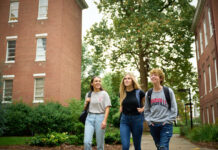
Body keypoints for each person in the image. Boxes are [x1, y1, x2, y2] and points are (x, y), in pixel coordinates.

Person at [144, 68, 177, 150]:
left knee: (163, 147)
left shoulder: (168, 91)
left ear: (161, 78)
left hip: (166, 125)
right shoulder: (148, 93)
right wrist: (149, 122)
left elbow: (174, 109)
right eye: (151, 75)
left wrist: (168, 121)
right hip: (153, 125)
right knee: (159, 147)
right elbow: (146, 110)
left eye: (155, 75)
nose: (152, 77)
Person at [83, 76, 112, 150]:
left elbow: (107, 108)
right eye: (96, 81)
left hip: (100, 117)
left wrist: (104, 121)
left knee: (100, 144)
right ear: (92, 83)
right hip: (89, 118)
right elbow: (84, 108)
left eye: (99, 81)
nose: (98, 82)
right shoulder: (88, 94)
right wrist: (86, 102)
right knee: (87, 142)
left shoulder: (104, 94)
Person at [119, 73, 145, 150]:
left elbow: (148, 102)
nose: (126, 80)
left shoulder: (139, 92)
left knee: (137, 146)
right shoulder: (122, 92)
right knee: (125, 146)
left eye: (129, 78)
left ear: (132, 80)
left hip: (137, 120)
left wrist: (143, 109)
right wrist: (121, 108)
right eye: (125, 78)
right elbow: (122, 103)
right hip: (124, 120)